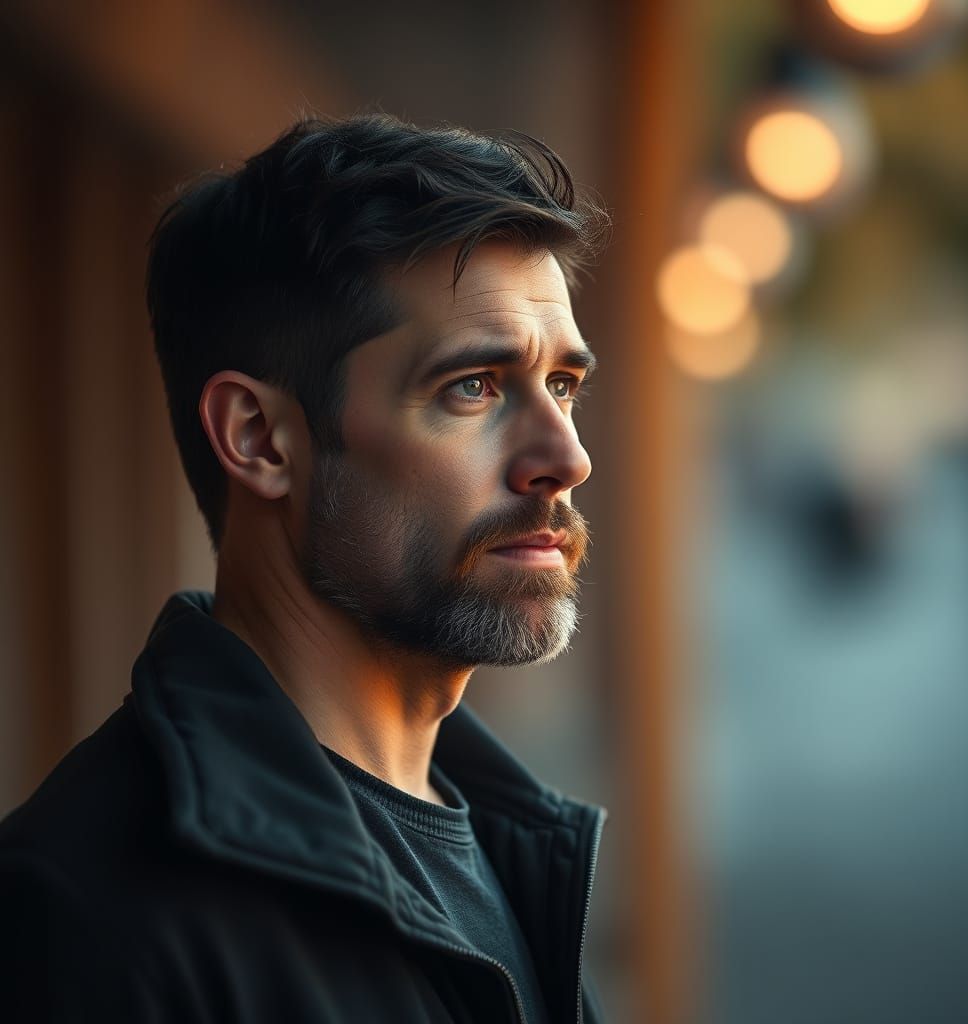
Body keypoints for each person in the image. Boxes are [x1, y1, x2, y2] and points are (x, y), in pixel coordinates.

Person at [0, 114, 610, 1022]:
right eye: (473, 387)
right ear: (259, 439)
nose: (564, 457)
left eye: (562, 385)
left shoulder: (507, 839)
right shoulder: (83, 918)